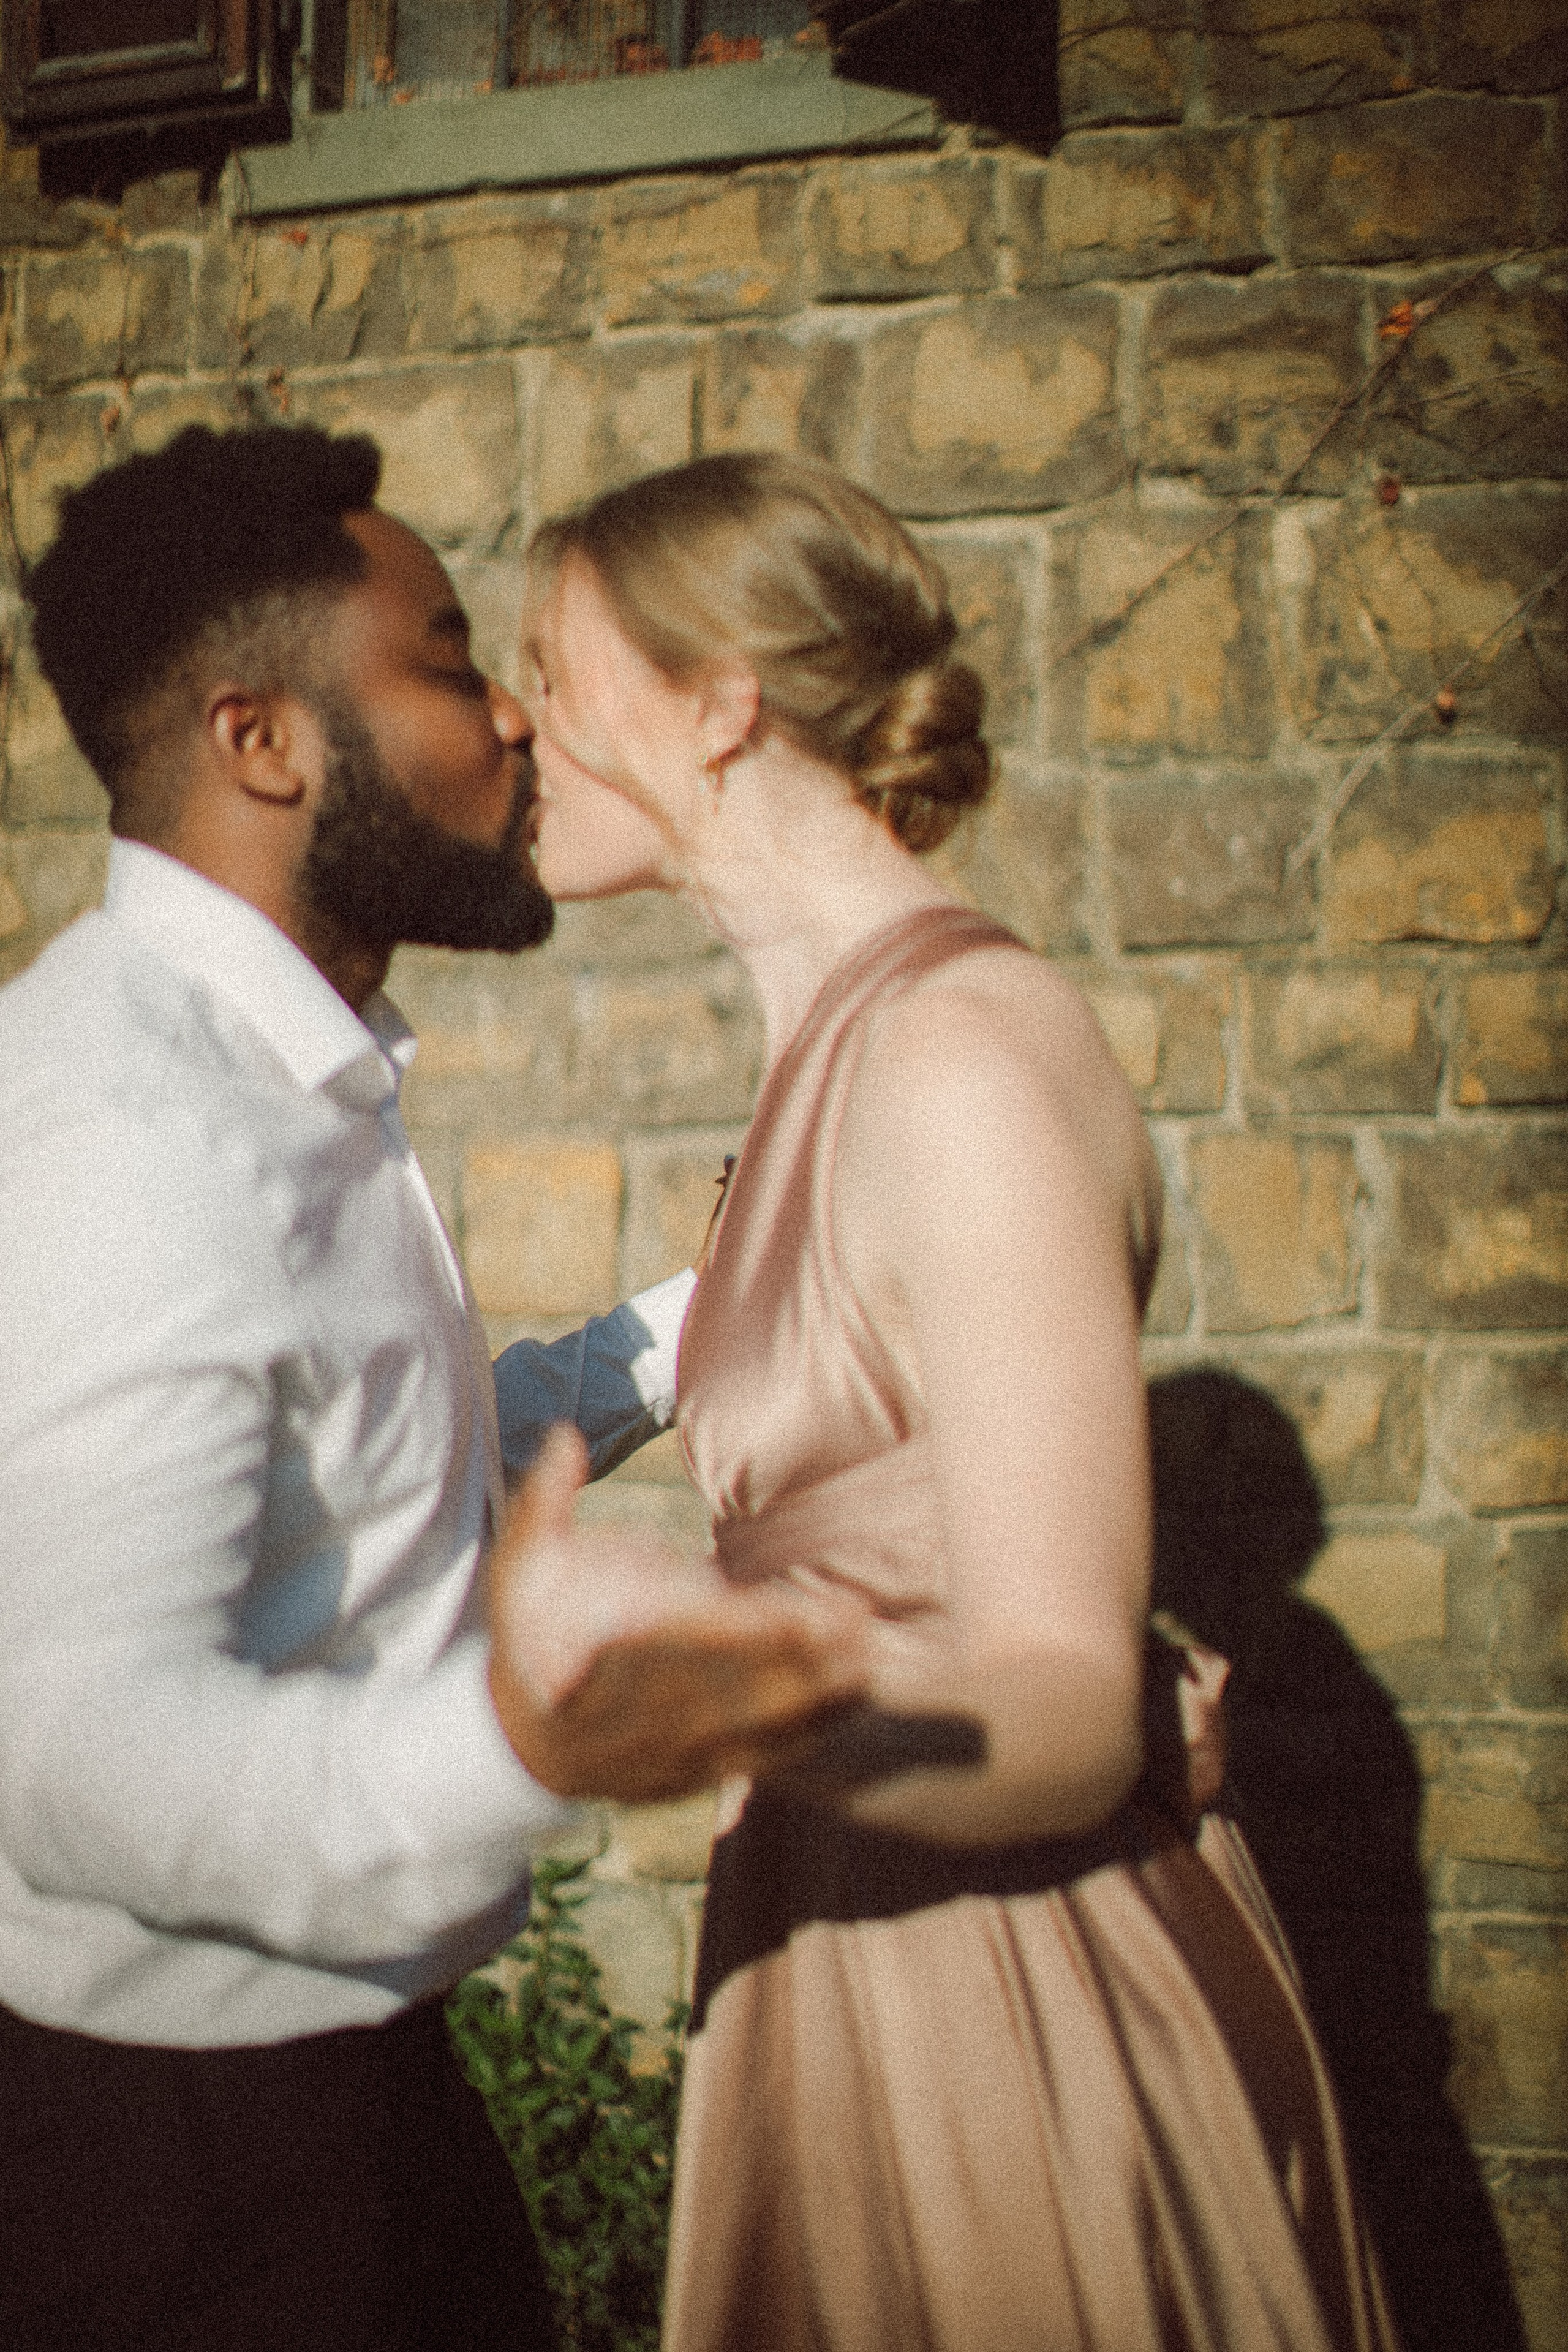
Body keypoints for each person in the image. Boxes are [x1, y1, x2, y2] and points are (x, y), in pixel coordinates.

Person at [499, 451, 1404, 2352]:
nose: (522, 720)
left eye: (555, 669)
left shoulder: (957, 1056)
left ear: (722, 699)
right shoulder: (833, 1062)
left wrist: (722, 1695)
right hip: (843, 1948)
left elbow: (1072, 1714)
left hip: (1013, 2001)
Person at [0, 424, 866, 2352]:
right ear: (265, 741)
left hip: (350, 2076)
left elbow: (401, 1478)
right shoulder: (132, 1126)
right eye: (454, 659)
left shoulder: (285, 1075)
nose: (518, 724)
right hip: (178, 2171)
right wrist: (531, 1745)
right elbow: (67, 1757)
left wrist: (699, 1319)